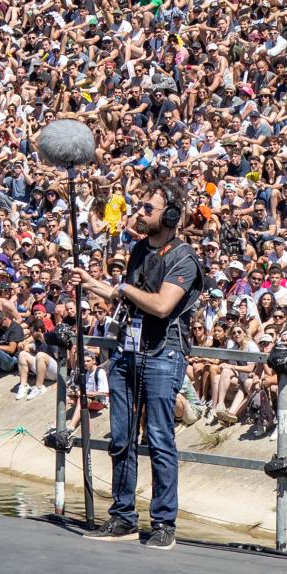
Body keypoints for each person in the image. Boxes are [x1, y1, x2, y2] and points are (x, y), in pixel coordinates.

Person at [79, 188, 201, 549]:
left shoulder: (184, 258)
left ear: (169, 216)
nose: (140, 212)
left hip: (164, 353)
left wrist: (122, 289)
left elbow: (162, 305)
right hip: (128, 351)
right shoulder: (138, 251)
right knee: (121, 438)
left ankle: (164, 523)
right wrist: (92, 285)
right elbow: (125, 295)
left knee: (160, 438)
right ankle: (122, 516)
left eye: (149, 208)